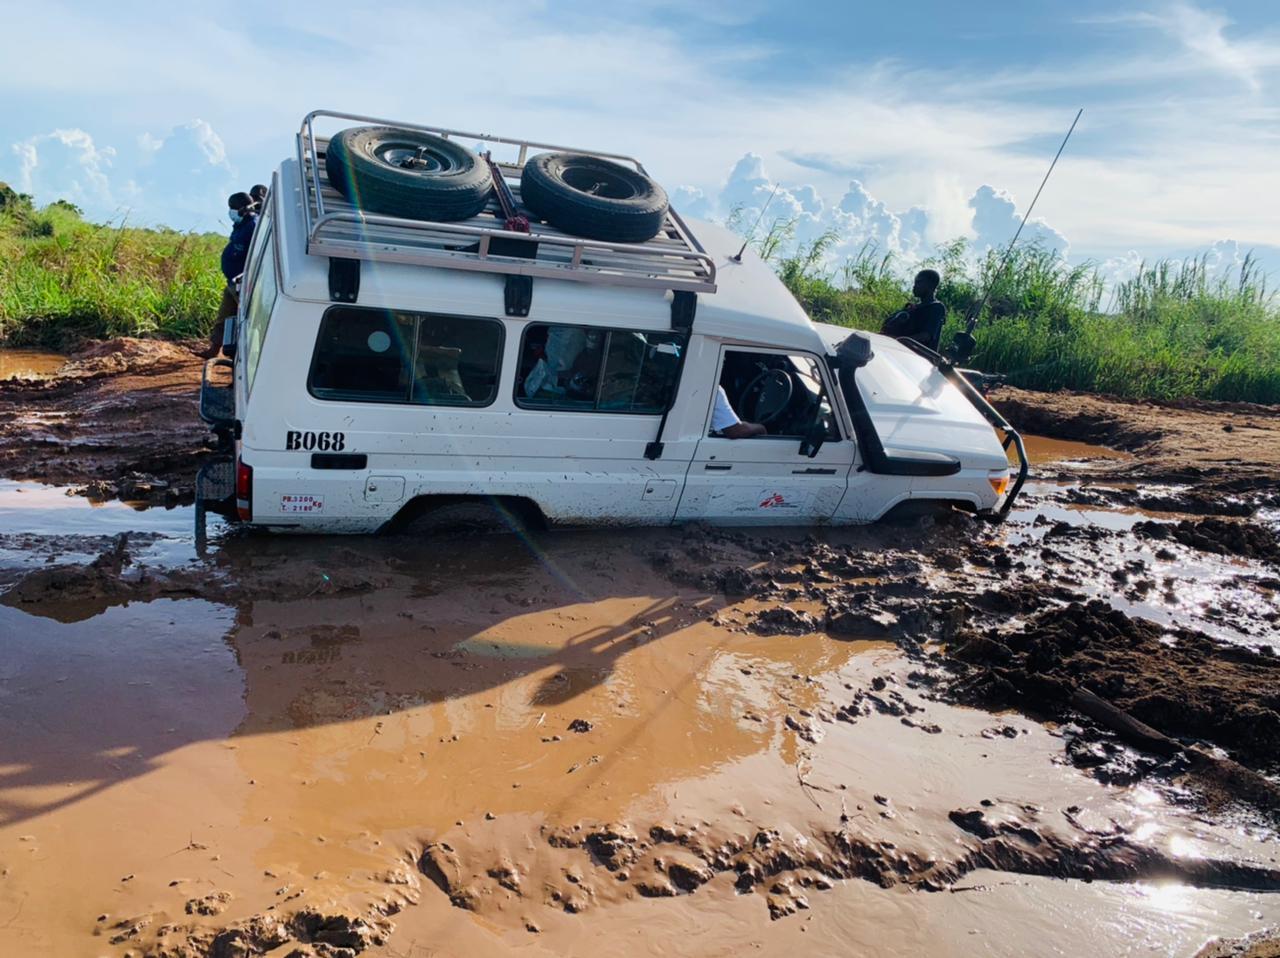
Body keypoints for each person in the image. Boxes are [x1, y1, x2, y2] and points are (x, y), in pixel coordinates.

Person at [207, 192, 258, 357]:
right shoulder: (242, 225)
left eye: (233, 208)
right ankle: (214, 350)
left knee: (245, 321)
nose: (231, 212)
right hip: (233, 282)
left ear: (242, 209)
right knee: (224, 315)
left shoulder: (253, 226)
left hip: (244, 282)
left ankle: (242, 359)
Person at [882, 269, 946, 352]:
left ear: (930, 285)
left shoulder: (936, 308)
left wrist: (898, 341)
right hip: (901, 352)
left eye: (919, 282)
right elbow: (888, 325)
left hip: (920, 358)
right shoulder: (912, 308)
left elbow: (926, 336)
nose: (914, 286)